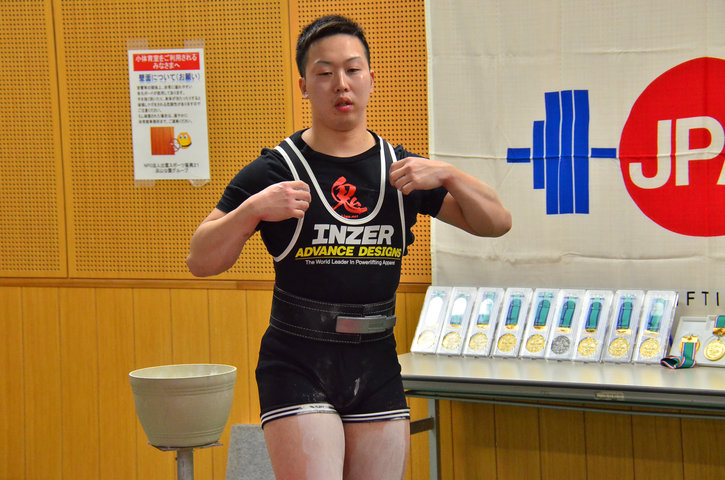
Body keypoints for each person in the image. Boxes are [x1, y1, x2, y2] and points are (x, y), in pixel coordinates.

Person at [186, 14, 511, 480]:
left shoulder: (402, 171)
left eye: (352, 70)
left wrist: (449, 174)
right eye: (324, 72)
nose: (341, 83)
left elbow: (497, 223)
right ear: (304, 86)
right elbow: (200, 260)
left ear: (370, 79)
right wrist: (252, 210)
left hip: (376, 358)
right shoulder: (277, 170)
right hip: (297, 359)